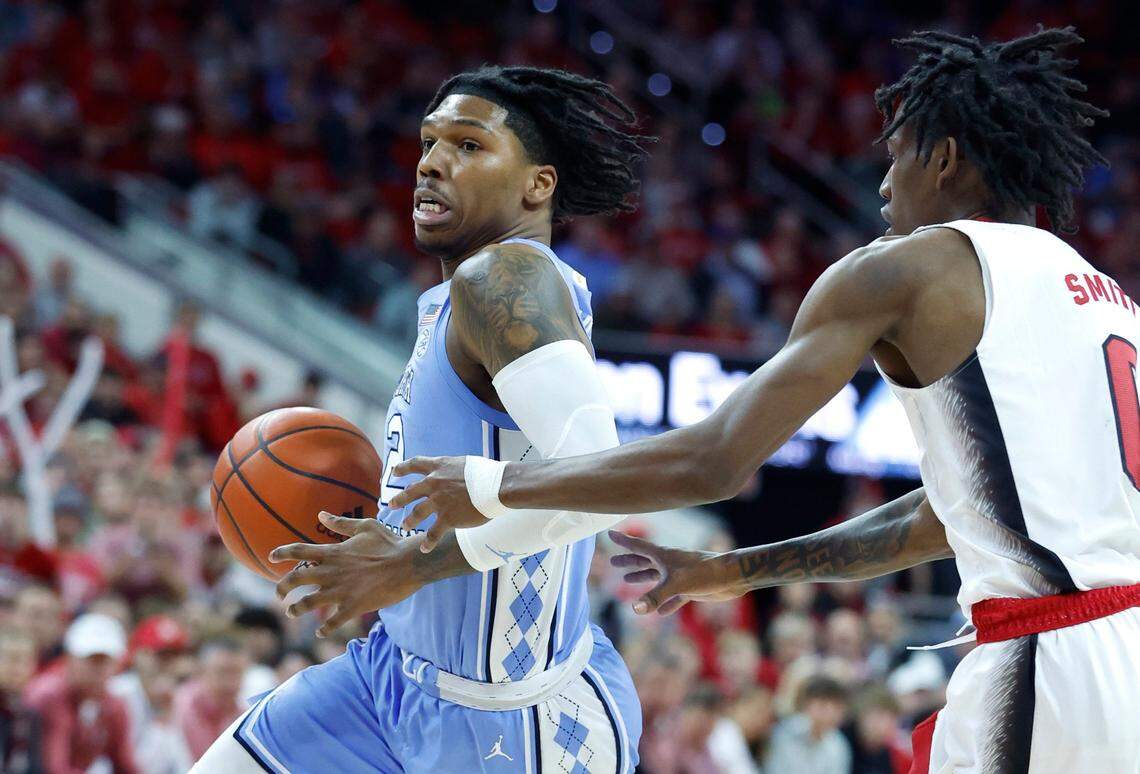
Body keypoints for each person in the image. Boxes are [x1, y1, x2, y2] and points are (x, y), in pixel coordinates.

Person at [391, 28, 1140, 771]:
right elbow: (939, 519)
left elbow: (716, 461)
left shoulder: (908, 269)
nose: (883, 187)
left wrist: (494, 485)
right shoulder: (1106, 300)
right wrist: (733, 571)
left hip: (1049, 660)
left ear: (943, 159)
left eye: (895, 157)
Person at [192, 65, 650, 772]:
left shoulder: (506, 280)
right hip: (387, 682)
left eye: (469, 146)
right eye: (430, 142)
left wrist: (411, 563)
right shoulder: (449, 300)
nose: (433, 162)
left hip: (511, 718)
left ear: (538, 185)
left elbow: (598, 482)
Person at [23, 613, 138, 773]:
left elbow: (125, 764)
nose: (98, 669)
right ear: (69, 659)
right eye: (91, 660)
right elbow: (55, 768)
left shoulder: (114, 704)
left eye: (105, 661)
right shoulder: (49, 695)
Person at [764, 676, 851, 774]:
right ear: (806, 705)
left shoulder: (838, 744)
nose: (830, 713)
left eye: (836, 707)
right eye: (823, 705)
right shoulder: (784, 733)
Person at [0, 628, 43, 774]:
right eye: (8, 658)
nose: (16, 668)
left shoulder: (29, 715)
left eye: (24, 661)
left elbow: (34, 767)